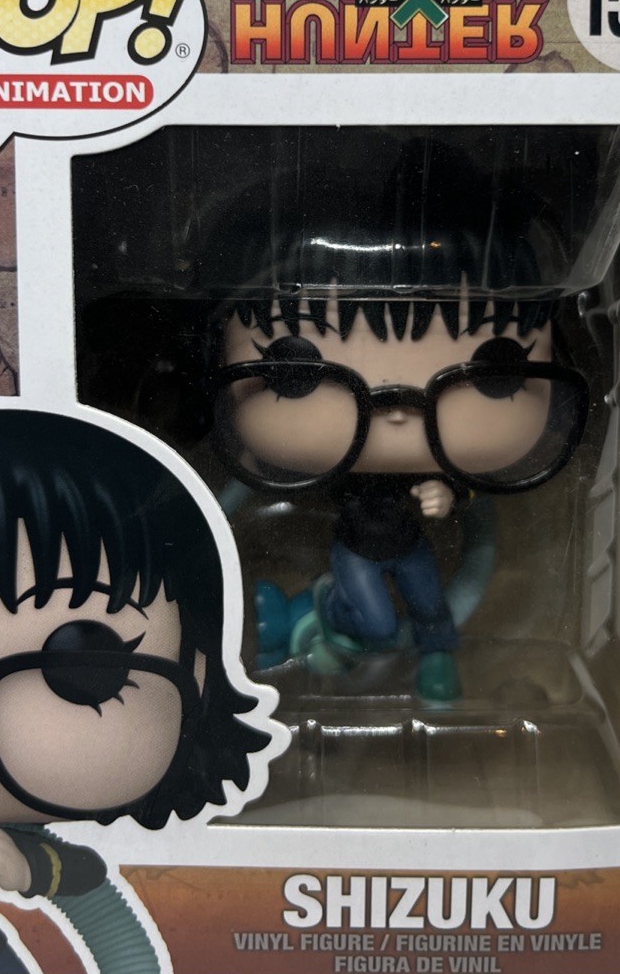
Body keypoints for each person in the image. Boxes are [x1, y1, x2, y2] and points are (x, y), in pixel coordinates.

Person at [208, 134, 588, 705]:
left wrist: (450, 494)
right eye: (297, 369)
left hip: (409, 546)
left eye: (495, 368)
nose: (398, 410)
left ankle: (435, 657)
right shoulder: (305, 467)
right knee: (382, 624)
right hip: (355, 553)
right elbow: (232, 497)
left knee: (432, 605)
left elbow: (476, 521)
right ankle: (320, 611)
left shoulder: (443, 467)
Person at [0, 407, 272, 974]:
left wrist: (26, 867)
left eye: (80, 665)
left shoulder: (2, 834)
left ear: (197, 670)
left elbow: (95, 894)